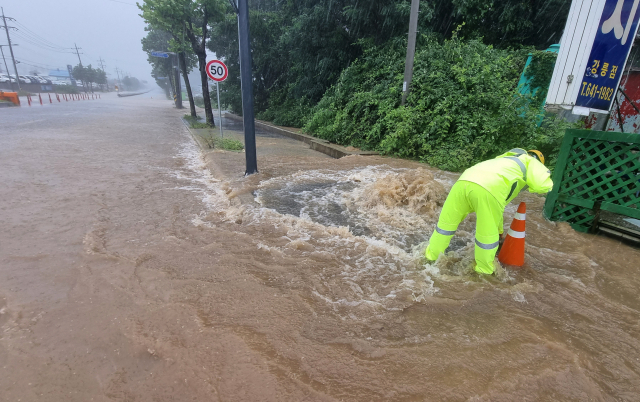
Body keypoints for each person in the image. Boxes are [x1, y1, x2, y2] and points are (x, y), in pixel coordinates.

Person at [425, 148, 553, 274]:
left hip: (463, 181)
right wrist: (549, 185)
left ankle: (430, 258)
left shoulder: (505, 161)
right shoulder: (531, 162)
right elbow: (542, 186)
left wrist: (500, 231)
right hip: (488, 188)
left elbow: (498, 209)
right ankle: (483, 271)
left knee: (445, 226)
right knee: (486, 236)